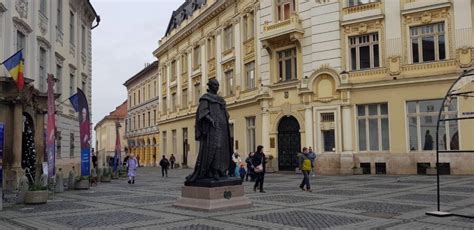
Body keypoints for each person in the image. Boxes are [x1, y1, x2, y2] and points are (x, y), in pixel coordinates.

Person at [185, 79, 232, 183]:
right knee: (215, 148)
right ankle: (213, 171)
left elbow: (225, 112)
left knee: (223, 148)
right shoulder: (205, 98)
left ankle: (221, 170)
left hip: (222, 127)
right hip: (212, 128)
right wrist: (211, 120)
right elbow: (203, 112)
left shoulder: (220, 99)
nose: (217, 87)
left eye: (218, 85)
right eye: (215, 85)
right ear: (210, 86)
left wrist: (225, 114)